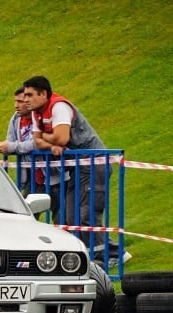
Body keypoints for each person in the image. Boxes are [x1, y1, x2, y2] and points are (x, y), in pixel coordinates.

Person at [22, 75, 131, 266]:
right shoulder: (36, 112)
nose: (26, 100)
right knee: (69, 217)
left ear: (43, 94)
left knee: (87, 215)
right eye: (25, 95)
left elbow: (61, 138)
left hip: (94, 163)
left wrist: (49, 139)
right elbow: (37, 142)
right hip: (76, 167)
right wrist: (51, 143)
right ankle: (106, 253)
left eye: (30, 95)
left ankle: (109, 257)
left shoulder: (59, 107)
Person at [0, 87, 35, 195]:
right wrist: (1, 147)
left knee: (63, 210)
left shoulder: (39, 117)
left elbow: (36, 144)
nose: (16, 106)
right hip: (29, 176)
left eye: (20, 101)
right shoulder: (16, 118)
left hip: (50, 174)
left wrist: (9, 147)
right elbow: (10, 141)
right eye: (15, 101)